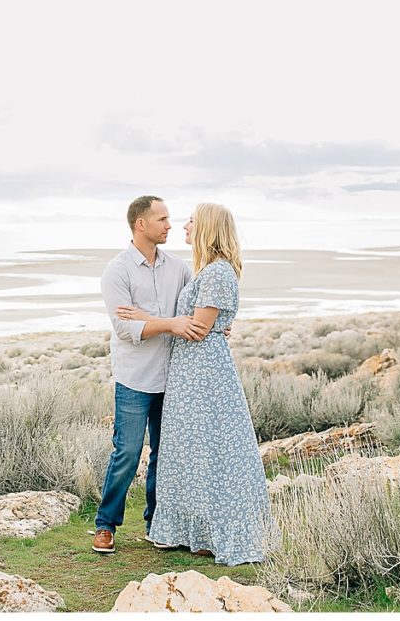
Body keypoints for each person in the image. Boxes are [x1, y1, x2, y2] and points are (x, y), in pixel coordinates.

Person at [117, 203, 277, 565]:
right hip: (191, 373)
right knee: (195, 453)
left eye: (190, 221)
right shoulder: (205, 270)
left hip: (204, 375)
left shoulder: (218, 272)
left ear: (206, 228)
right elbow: (202, 322)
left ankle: (215, 533)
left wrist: (145, 317)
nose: (182, 226)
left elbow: (199, 328)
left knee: (210, 451)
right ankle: (198, 532)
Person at [91, 196, 209, 554]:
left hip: (173, 376)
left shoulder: (179, 268)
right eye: (162, 219)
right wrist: (168, 323)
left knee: (165, 453)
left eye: (170, 218)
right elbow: (125, 330)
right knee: (126, 452)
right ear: (140, 224)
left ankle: (157, 524)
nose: (169, 225)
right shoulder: (118, 271)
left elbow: (192, 310)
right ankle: (105, 524)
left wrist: (213, 324)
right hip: (135, 376)